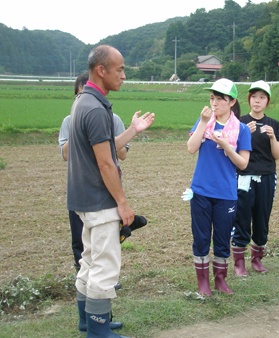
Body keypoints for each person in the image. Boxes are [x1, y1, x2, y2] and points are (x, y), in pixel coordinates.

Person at [67, 45, 155, 337]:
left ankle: (86, 321)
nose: (124, 75)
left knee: (89, 261)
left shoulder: (83, 102)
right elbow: (106, 163)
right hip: (99, 200)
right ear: (101, 70)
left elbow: (103, 149)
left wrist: (132, 130)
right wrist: (123, 203)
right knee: (105, 266)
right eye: (119, 69)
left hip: (83, 198)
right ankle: (98, 330)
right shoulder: (95, 108)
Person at [185, 78, 252, 296]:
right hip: (201, 191)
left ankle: (221, 280)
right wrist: (204, 122)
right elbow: (191, 148)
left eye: (220, 99)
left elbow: (243, 163)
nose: (214, 103)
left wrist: (225, 146)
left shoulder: (241, 129)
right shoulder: (204, 122)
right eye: (212, 98)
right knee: (201, 238)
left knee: (223, 239)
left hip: (226, 193)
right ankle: (202, 282)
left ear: (232, 102)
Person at [59, 73, 129, 277]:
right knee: (81, 240)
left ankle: (96, 282)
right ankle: (83, 274)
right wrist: (81, 129)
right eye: (80, 96)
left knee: (106, 240)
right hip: (82, 188)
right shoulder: (71, 120)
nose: (84, 100)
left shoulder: (110, 118)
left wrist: (117, 133)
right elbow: (65, 154)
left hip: (105, 190)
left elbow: (121, 154)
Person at [231, 80, 279, 276]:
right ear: (249, 99)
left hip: (267, 176)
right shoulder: (240, 122)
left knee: (262, 216)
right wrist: (245, 132)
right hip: (243, 175)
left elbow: (277, 155)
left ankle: (257, 258)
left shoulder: (274, 125)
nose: (257, 101)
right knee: (241, 216)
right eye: (254, 97)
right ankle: (239, 262)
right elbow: (232, 150)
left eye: (262, 97)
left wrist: (272, 138)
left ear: (267, 101)